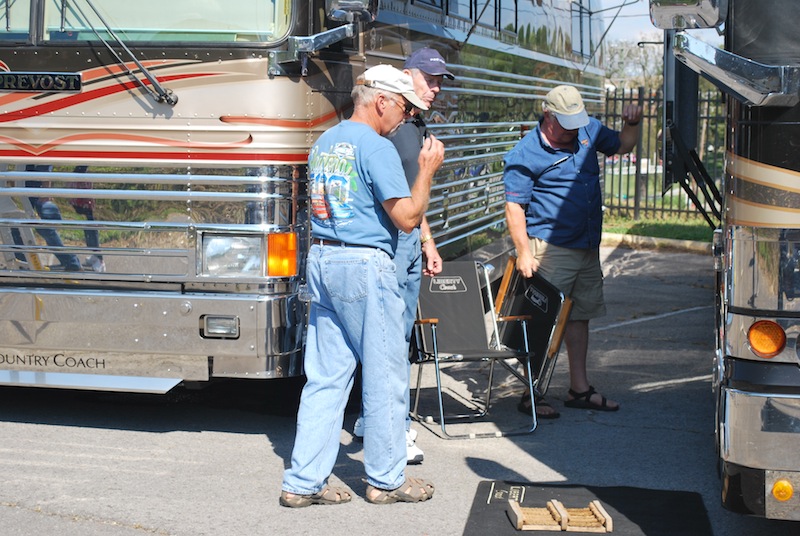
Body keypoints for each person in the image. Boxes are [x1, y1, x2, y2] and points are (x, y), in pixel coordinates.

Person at [280, 64, 445, 508]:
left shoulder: (325, 142)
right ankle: (387, 480)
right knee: (385, 374)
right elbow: (407, 218)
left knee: (326, 378)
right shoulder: (376, 147)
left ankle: (302, 482)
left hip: (324, 258)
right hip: (365, 264)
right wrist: (427, 169)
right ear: (382, 101)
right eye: (404, 107)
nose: (406, 117)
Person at [503, 85, 642, 417]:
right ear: (548, 116)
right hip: (550, 248)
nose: (574, 127)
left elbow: (623, 145)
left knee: (579, 317)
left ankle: (579, 389)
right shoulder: (525, 154)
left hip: (586, 246)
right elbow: (514, 207)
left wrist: (632, 123)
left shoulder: (588, 130)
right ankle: (531, 392)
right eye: (567, 121)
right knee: (544, 321)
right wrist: (524, 252)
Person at [351, 47, 454, 465]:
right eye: (428, 78)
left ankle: (370, 418)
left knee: (400, 334)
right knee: (388, 340)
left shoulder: (413, 122)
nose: (435, 87)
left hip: (409, 240)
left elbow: (410, 193)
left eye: (440, 81)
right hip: (387, 244)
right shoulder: (387, 125)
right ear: (405, 74)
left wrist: (427, 241)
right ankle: (391, 429)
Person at [71, 166, 105, 272]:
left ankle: (100, 260)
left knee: (91, 229)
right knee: (87, 229)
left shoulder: (84, 174)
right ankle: (95, 255)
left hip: (86, 202)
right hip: (81, 199)